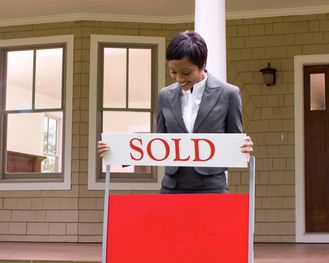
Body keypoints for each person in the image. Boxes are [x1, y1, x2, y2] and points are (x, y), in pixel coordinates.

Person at [98, 31, 253, 194]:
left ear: (202, 65)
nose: (179, 78)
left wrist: (244, 147)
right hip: (172, 186)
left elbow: (234, 142)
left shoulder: (229, 94)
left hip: (212, 187)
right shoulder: (165, 95)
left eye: (186, 72)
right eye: (173, 71)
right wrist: (115, 151)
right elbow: (159, 142)